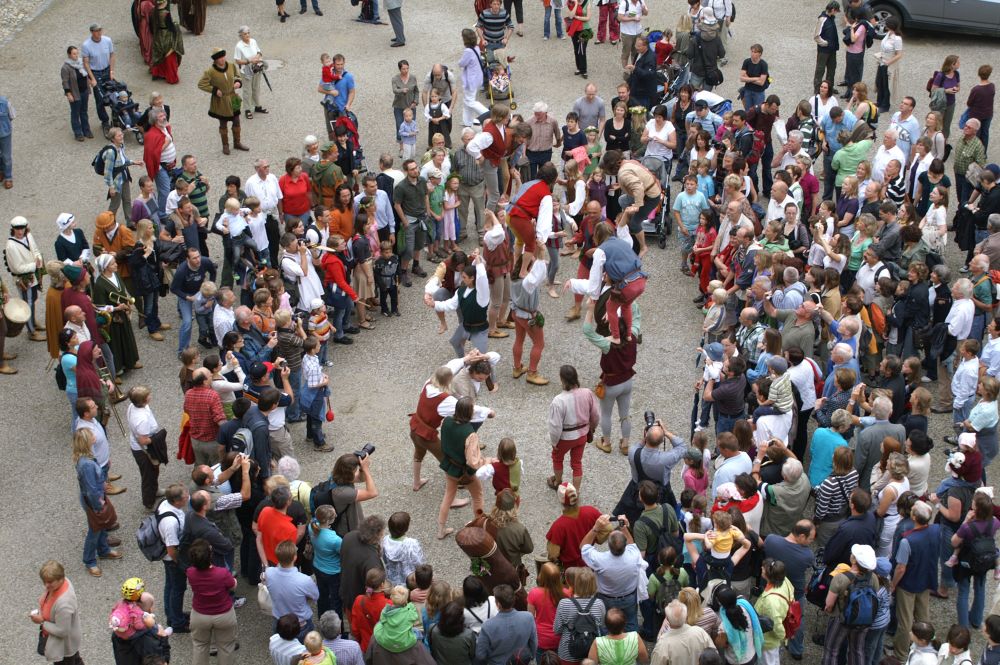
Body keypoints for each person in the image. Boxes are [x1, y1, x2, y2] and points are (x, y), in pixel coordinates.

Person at [890, 500, 939, 660]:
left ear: (913, 517)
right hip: (926, 579)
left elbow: (900, 568)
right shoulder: (936, 530)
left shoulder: (907, 540)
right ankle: (926, 647)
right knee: (923, 616)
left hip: (908, 584)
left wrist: (893, 584)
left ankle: (901, 655)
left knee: (905, 622)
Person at [73, 427, 122, 578]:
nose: (94, 436)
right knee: (94, 529)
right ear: (86, 441)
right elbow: (91, 490)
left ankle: (104, 550)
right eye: (91, 435)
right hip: (94, 501)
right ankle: (89, 561)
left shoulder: (86, 457)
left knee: (100, 526)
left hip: (96, 497)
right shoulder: (86, 464)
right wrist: (98, 506)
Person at [582, 515, 644, 632]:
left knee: (605, 624)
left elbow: (583, 547)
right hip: (629, 596)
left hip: (606, 598)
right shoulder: (634, 555)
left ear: (609, 545)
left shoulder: (599, 560)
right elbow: (632, 543)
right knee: (631, 622)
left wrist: (596, 528)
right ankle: (633, 642)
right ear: (625, 545)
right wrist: (624, 527)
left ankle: (606, 642)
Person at [822, 543, 878, 665]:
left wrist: (829, 611)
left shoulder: (840, 578)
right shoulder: (873, 577)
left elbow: (829, 604)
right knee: (857, 650)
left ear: (854, 560)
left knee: (832, 650)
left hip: (841, 619)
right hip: (863, 619)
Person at [186, 538, 239, 665]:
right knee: (226, 646)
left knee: (200, 645)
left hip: (200, 615)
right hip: (224, 614)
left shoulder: (190, 573)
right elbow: (233, 586)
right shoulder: (222, 573)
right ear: (210, 556)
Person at [548, 364, 600, 491]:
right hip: (582, 435)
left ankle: (558, 481)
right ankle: (575, 490)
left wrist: (554, 442)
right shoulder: (587, 393)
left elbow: (555, 426)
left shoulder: (558, 401)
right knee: (577, 463)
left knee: (557, 458)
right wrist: (592, 428)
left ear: (562, 380)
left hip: (565, 438)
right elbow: (595, 414)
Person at [32, 560, 83, 665]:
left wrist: (42, 622)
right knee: (76, 660)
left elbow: (62, 631)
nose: (46, 585)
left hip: (63, 646)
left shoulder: (64, 604)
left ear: (60, 579)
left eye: (50, 582)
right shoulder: (63, 582)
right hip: (70, 641)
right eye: (44, 581)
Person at [197, 48, 246, 155]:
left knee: (236, 120)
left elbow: (237, 76)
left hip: (233, 97)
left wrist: (238, 82)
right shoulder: (210, 71)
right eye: (220, 58)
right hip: (221, 100)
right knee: (223, 123)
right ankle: (225, 145)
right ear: (215, 60)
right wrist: (214, 90)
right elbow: (201, 84)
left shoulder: (231, 66)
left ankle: (237, 143)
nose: (222, 59)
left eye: (223, 56)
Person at [649, 600, 713, 665]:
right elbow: (714, 656)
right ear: (686, 616)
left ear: (667, 619)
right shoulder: (700, 632)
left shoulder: (663, 644)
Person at [81, 24, 115, 132]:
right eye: (96, 31)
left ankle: (115, 117)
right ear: (92, 32)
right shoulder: (86, 45)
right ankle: (104, 121)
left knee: (113, 94)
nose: (99, 32)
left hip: (106, 70)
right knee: (100, 98)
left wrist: (111, 71)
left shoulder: (107, 40)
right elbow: (86, 63)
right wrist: (92, 78)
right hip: (95, 72)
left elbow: (112, 55)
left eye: (100, 30)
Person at [233, 27, 267, 120]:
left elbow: (259, 51)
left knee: (256, 88)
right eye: (245, 34)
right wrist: (249, 61)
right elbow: (237, 61)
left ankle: (257, 106)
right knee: (247, 91)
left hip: (256, 68)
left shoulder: (253, 41)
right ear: (241, 36)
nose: (247, 35)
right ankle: (247, 109)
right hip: (246, 71)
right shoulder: (239, 46)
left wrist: (257, 57)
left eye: (248, 33)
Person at [61, 46, 92, 141]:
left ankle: (86, 130)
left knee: (84, 111)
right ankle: (78, 133)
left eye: (77, 53)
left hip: (84, 91)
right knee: (75, 113)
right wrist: (68, 94)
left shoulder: (81, 63)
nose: (76, 55)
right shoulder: (66, 67)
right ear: (69, 55)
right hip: (75, 93)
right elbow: (65, 82)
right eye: (74, 54)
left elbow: (86, 75)